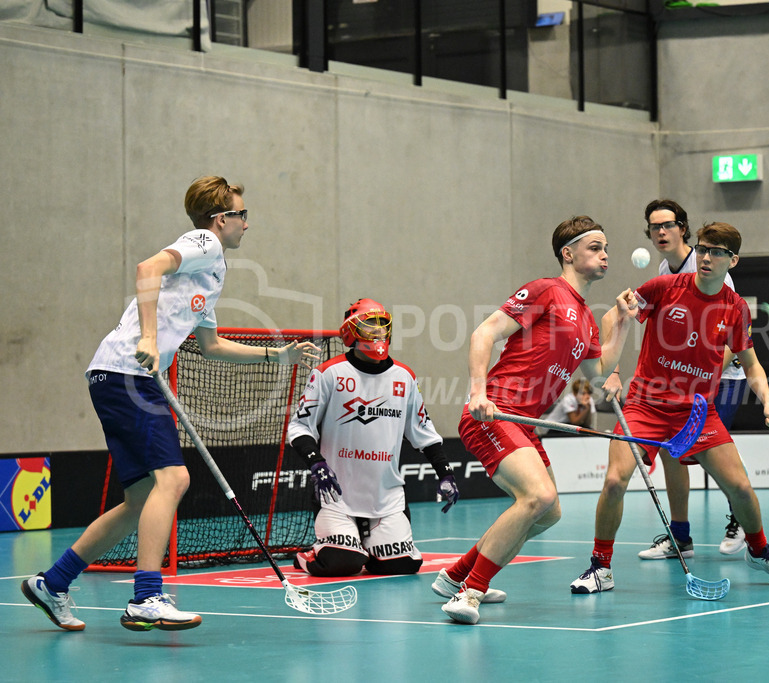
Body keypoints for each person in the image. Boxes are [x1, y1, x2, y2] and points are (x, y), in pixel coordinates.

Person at [21, 176, 320, 632]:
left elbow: (213, 345)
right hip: (128, 373)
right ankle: (147, 596)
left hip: (116, 376)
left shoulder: (211, 273)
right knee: (175, 478)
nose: (247, 224)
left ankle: (53, 582)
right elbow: (147, 269)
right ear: (221, 220)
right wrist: (146, 337)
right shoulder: (203, 242)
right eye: (241, 215)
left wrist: (277, 354)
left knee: (140, 500)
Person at [572, 221, 769, 594]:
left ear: (733, 261)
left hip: (697, 412)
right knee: (615, 480)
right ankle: (600, 567)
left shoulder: (735, 308)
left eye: (717, 252)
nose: (707, 257)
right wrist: (611, 370)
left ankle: (759, 552)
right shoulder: (664, 288)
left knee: (740, 487)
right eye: (704, 249)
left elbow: (751, 362)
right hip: (645, 406)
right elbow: (614, 316)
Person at [435, 216, 639, 625]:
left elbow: (598, 371)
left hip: (524, 421)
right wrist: (477, 391)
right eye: (595, 247)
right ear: (568, 253)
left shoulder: (583, 314)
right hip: (495, 410)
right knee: (538, 497)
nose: (605, 255)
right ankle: (469, 592)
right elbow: (483, 333)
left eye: (606, 248)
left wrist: (622, 323)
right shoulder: (548, 290)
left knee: (549, 513)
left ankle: (457, 574)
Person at [603, 199, 748, 563]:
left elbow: (732, 343)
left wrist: (702, 373)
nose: (660, 233)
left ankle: (739, 521)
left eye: (667, 225)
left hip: (720, 378)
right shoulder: (666, 270)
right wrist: (616, 370)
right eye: (654, 227)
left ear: (683, 227)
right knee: (672, 454)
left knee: (710, 456)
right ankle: (680, 536)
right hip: (673, 386)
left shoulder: (714, 268)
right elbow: (627, 319)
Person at [287, 298, 460, 578]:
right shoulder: (329, 373)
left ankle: (368, 544)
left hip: (386, 497)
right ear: (351, 334)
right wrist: (316, 463)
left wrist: (445, 473)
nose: (378, 334)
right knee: (342, 564)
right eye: (369, 327)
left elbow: (424, 433)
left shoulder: (404, 377)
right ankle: (307, 556)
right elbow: (299, 427)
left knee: (402, 565)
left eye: (382, 327)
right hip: (337, 496)